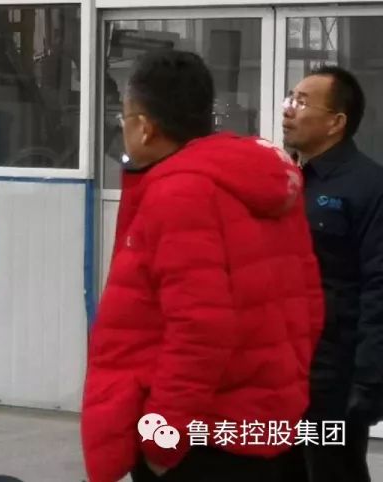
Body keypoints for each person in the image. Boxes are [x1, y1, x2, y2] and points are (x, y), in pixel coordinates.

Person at [81, 50, 323, 482]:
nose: (124, 127)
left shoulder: (181, 192)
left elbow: (199, 331)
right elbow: (309, 305)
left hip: (203, 440)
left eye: (125, 116)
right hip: (263, 425)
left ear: (145, 126)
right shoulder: (256, 182)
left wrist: (162, 440)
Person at [282, 66, 383, 482]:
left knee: (331, 471)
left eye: (302, 102)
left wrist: (369, 381)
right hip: (281, 364)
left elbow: (379, 286)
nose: (288, 109)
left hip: (334, 372)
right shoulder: (281, 180)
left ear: (336, 122)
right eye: (290, 98)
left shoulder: (368, 186)